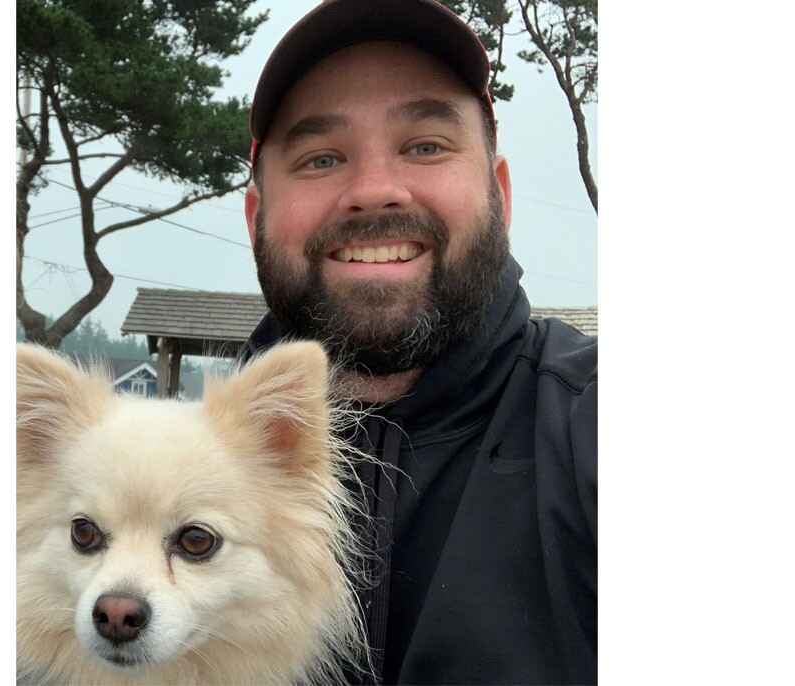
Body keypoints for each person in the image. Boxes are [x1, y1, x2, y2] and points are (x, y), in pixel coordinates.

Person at [237, 0, 597, 684]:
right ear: (257, 218)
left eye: (426, 145)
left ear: (500, 194)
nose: (374, 191)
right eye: (320, 158)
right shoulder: (138, 489)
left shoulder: (594, 427)